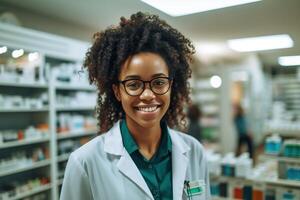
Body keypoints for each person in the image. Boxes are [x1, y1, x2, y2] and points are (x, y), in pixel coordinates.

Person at [60, 12, 210, 200]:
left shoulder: (194, 151)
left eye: (159, 82)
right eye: (133, 84)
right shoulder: (84, 162)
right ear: (117, 91)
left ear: (171, 85)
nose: (148, 95)